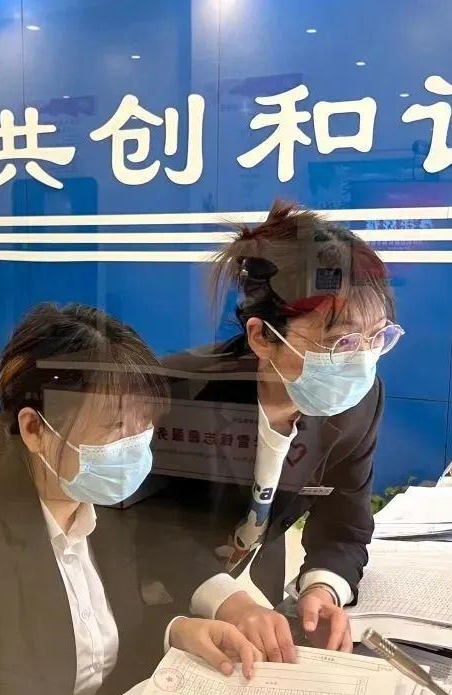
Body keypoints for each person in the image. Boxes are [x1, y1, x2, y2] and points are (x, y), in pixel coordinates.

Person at [0, 303, 260, 695]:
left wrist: (178, 631)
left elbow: (103, 640)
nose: (135, 444)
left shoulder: (104, 516)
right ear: (34, 428)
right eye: (115, 426)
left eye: (143, 425)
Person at [144, 200, 402, 662]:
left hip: (252, 597)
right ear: (262, 337)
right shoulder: (176, 395)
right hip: (147, 608)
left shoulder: (358, 401)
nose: (361, 360)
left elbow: (344, 524)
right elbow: (148, 529)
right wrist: (232, 604)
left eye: (377, 337)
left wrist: (323, 588)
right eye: (339, 341)